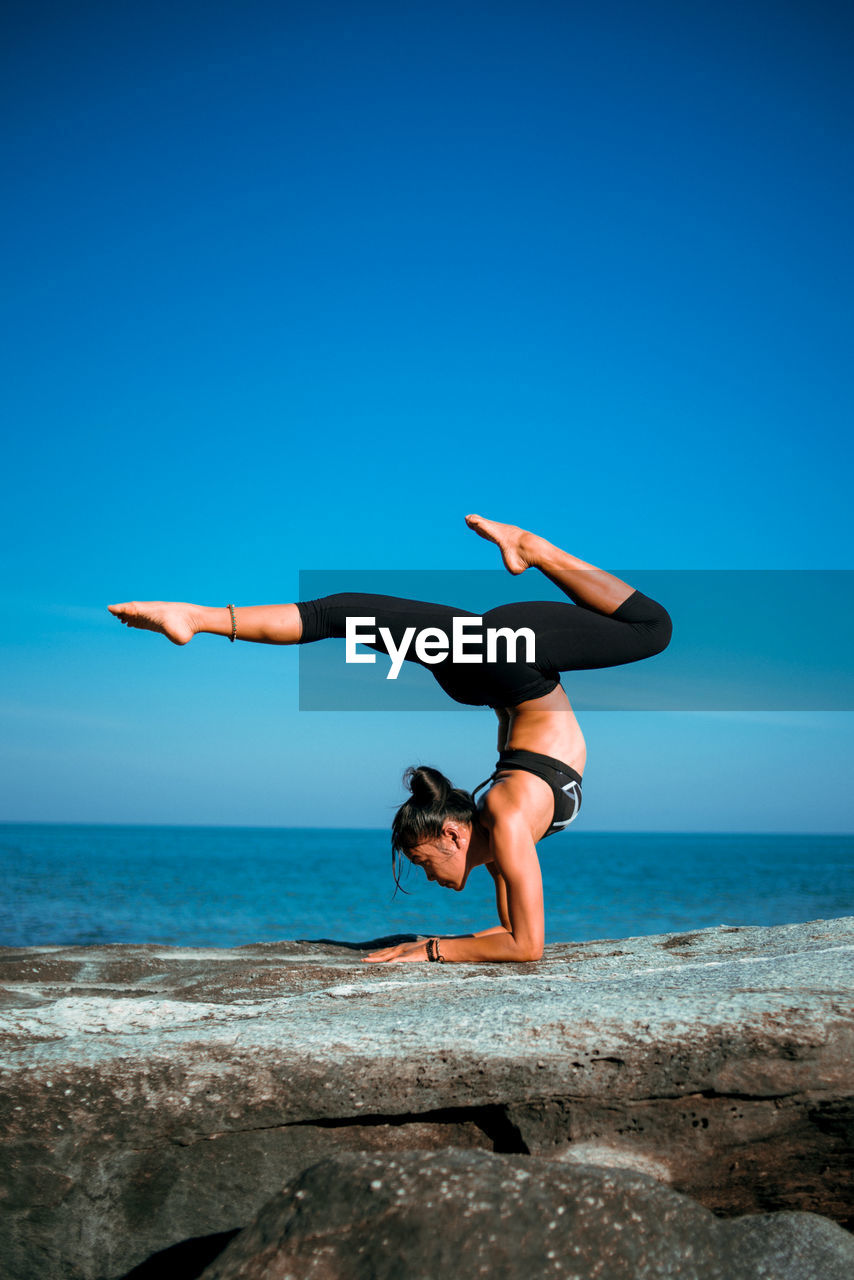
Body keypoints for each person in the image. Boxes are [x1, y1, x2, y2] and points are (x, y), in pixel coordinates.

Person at [109, 515, 671, 965]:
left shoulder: (503, 823)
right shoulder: (503, 818)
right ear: (454, 833)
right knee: (652, 629)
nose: (431, 877)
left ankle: (198, 617)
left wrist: (429, 949)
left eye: (423, 866)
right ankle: (530, 547)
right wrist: (433, 950)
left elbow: (516, 942)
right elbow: (521, 944)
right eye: (428, 866)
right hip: (506, 665)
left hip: (505, 666)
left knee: (339, 614)